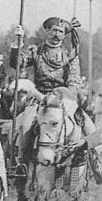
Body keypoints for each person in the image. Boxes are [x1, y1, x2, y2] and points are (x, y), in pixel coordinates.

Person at [9, 16, 96, 173]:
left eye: (61, 31)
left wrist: (66, 95)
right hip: (39, 98)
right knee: (24, 124)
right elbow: (17, 63)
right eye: (54, 30)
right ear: (47, 31)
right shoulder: (36, 51)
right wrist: (17, 45)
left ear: (64, 35)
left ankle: (95, 164)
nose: (57, 34)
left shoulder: (69, 55)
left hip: (64, 97)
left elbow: (74, 80)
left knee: (89, 126)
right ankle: (21, 162)